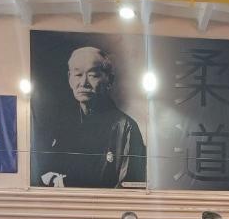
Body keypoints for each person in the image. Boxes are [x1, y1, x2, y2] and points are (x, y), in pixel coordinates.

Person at [33, 46, 146, 188]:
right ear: (69, 78)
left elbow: (129, 187)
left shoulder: (126, 128)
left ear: (110, 80)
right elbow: (43, 173)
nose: (83, 83)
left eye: (93, 75)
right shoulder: (61, 125)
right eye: (78, 75)